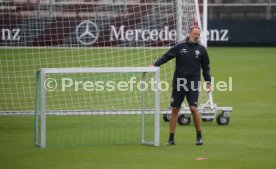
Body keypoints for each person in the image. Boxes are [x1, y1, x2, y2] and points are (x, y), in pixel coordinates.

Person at [151, 26, 211, 146]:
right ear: (189, 33)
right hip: (179, 82)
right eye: (195, 33)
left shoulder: (202, 50)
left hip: (193, 83)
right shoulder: (180, 46)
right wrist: (155, 65)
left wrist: (208, 82)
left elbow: (206, 68)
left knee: (193, 108)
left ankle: (199, 136)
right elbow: (166, 56)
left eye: (198, 34)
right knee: (175, 109)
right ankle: (171, 139)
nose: (196, 36)